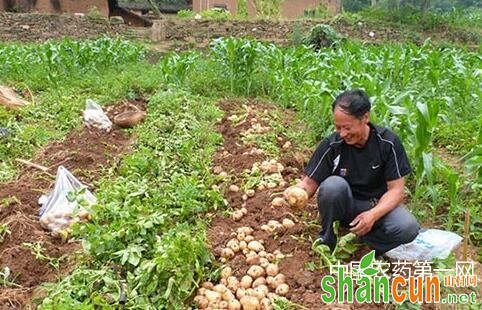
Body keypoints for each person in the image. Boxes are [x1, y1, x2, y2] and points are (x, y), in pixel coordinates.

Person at [286, 89, 419, 255]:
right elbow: (309, 183)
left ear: (365, 118)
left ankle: (362, 244)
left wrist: (372, 215)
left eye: (347, 127)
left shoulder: (387, 143)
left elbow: (397, 190)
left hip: (376, 206)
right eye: (338, 127)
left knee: (408, 227)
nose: (342, 134)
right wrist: (297, 192)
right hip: (345, 207)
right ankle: (329, 241)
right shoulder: (332, 145)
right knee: (332, 186)